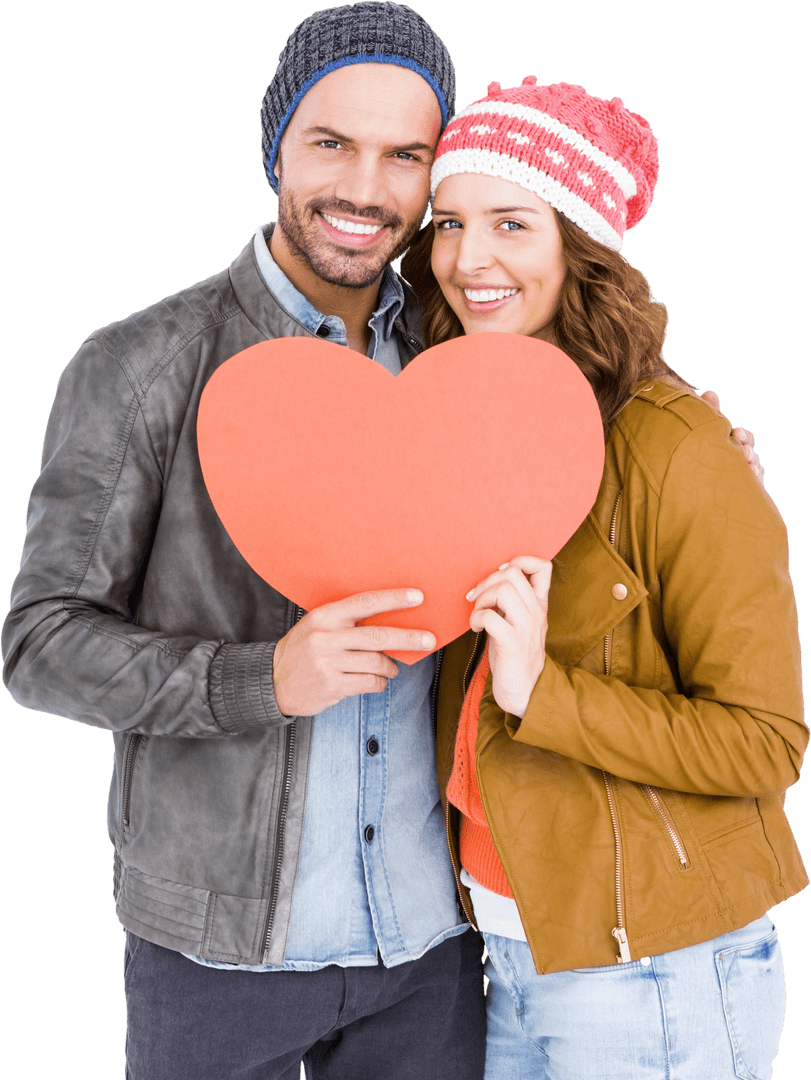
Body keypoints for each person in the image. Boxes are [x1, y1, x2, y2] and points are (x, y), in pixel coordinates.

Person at [0, 2, 763, 1076]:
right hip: (219, 953)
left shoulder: (467, 350)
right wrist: (260, 678)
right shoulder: (139, 366)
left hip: (435, 952)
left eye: (405, 155)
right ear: (276, 146)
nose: (365, 189)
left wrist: (702, 462)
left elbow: (585, 446)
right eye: (331, 143)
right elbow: (39, 645)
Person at [399, 77, 806, 1079]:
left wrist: (545, 692)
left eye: (511, 223)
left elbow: (768, 744)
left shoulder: (676, 447)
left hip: (652, 969)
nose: (467, 258)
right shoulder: (460, 430)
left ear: (580, 246)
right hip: (497, 946)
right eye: (449, 222)